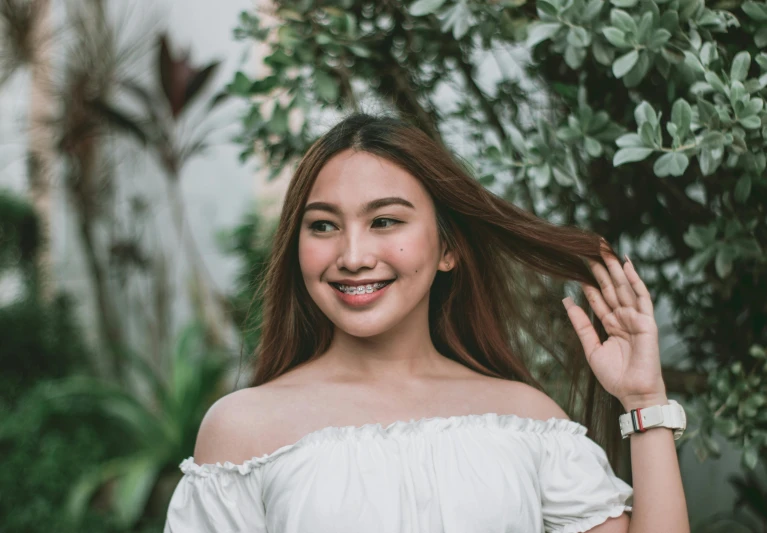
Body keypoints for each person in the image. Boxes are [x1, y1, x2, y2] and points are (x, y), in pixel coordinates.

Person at [163, 113, 689, 532]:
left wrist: (644, 402)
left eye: (385, 221)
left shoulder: (524, 420)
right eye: (323, 225)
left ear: (448, 248)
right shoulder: (242, 431)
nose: (352, 254)